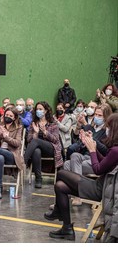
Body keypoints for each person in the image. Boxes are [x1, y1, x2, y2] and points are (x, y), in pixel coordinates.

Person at [44, 113, 118, 241]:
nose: (107, 130)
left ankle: (57, 210)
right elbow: (105, 163)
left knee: (61, 173)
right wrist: (93, 146)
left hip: (101, 190)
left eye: (109, 127)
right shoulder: (115, 150)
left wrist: (92, 151)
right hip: (104, 186)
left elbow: (98, 169)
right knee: (60, 186)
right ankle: (67, 228)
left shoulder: (116, 150)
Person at [63, 104, 112, 206]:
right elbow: (82, 145)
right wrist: (84, 141)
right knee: (71, 159)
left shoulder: (108, 131)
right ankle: (65, 198)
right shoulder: (93, 127)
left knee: (68, 165)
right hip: (85, 157)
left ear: (106, 117)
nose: (97, 117)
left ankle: (76, 196)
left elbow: (106, 151)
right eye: (96, 114)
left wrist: (92, 140)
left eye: (100, 115)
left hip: (98, 160)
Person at [23, 101, 63, 188]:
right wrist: (35, 133)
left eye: (40, 109)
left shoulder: (53, 123)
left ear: (45, 111)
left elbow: (56, 140)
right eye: (37, 109)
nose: (38, 111)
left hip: (51, 148)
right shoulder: (33, 123)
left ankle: (23, 162)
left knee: (36, 141)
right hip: (38, 150)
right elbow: (29, 140)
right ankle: (38, 179)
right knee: (36, 150)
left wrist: (45, 132)